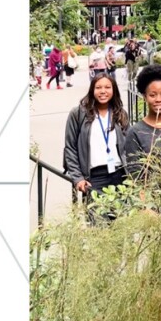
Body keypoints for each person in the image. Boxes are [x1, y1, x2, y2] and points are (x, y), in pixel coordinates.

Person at [62, 73, 131, 220]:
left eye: (107, 87)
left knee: (120, 224)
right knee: (98, 225)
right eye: (98, 87)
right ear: (92, 90)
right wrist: (78, 178)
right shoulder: (78, 113)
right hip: (94, 178)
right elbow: (70, 147)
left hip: (120, 175)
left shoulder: (120, 114)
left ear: (114, 90)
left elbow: (129, 147)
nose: (103, 91)